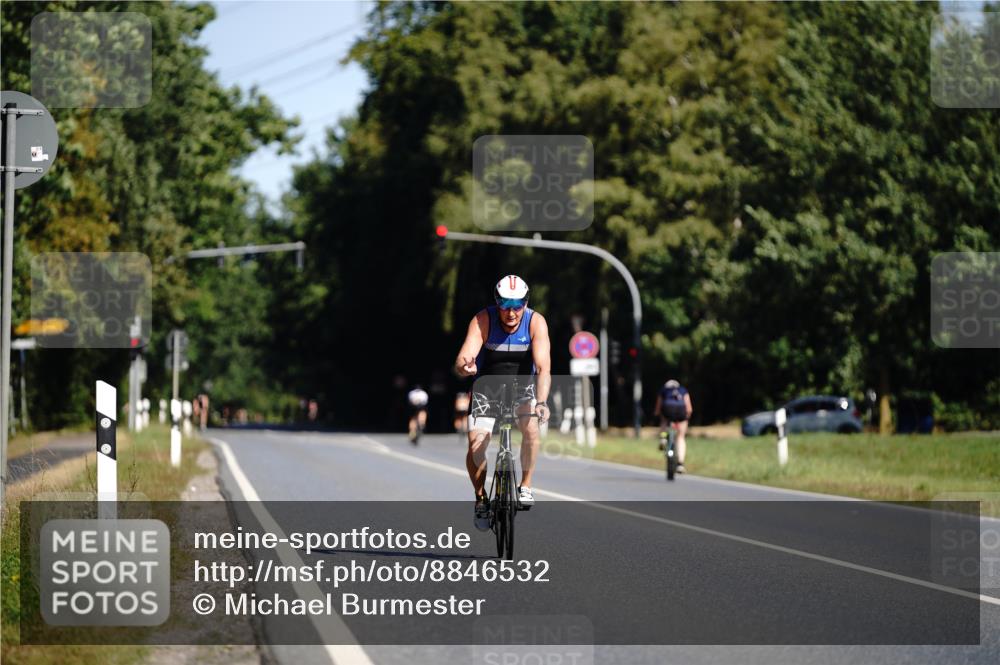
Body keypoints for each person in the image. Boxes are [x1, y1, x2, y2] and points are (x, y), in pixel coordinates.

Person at [454, 275, 551, 530]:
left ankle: (526, 486)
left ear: (525, 303)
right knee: (476, 445)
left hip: (522, 388)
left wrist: (541, 402)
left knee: (531, 428)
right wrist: (466, 366)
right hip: (487, 388)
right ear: (497, 303)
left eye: (517, 305)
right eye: (505, 305)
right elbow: (464, 356)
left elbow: (543, 368)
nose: (511, 312)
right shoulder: (483, 319)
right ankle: (481, 499)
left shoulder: (535, 322)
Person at [654, 379, 693, 473]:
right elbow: (689, 408)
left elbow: (658, 407)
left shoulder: (664, 390)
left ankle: (663, 438)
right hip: (680, 411)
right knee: (680, 437)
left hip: (667, 409)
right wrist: (686, 418)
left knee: (663, 419)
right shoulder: (683, 390)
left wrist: (657, 414)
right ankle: (680, 464)